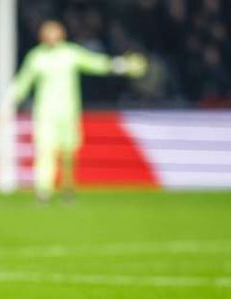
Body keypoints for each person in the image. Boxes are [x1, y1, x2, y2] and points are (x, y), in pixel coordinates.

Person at [13, 20, 146, 202]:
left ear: (62, 34)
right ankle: (43, 190)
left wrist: (120, 65)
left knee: (68, 151)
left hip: (68, 111)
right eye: (47, 32)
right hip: (44, 113)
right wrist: (11, 100)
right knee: (45, 150)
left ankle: (67, 186)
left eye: (54, 32)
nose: (50, 36)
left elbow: (96, 63)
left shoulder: (70, 53)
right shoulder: (36, 57)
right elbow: (23, 80)